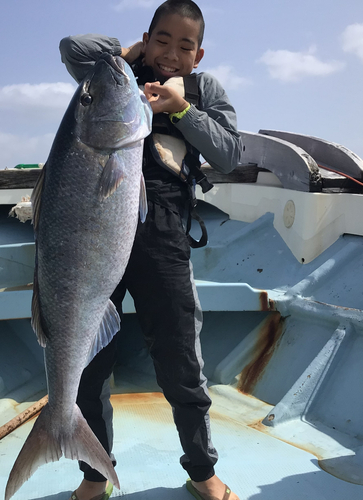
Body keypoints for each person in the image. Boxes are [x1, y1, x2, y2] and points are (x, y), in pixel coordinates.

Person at [59, 1, 242, 499]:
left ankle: (202, 470)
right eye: (162, 40)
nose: (171, 54)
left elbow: (230, 152)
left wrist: (179, 109)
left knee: (182, 359)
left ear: (199, 53)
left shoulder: (204, 91)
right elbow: (72, 48)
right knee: (91, 363)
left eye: (185, 47)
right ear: (146, 38)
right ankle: (95, 475)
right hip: (95, 231)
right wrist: (132, 54)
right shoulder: (117, 74)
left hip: (161, 231)